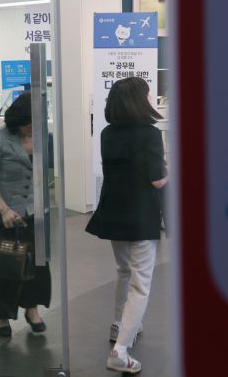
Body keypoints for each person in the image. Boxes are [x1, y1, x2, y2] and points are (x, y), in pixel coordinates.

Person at [86, 77, 168, 374]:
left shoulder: (107, 133)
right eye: (147, 95)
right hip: (140, 215)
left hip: (114, 212)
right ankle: (120, 351)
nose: (151, 99)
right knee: (140, 284)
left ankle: (119, 324)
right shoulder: (150, 134)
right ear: (138, 101)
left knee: (123, 271)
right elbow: (157, 180)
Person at [0, 91, 51, 337]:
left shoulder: (41, 136)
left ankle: (31, 309)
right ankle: (1, 315)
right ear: (18, 119)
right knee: (1, 266)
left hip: (32, 211)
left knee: (35, 263)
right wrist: (4, 209)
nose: (32, 128)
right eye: (28, 123)